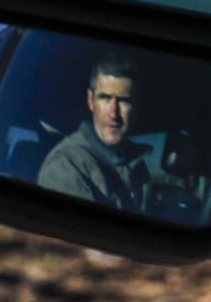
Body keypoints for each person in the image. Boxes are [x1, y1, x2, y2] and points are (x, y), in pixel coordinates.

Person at [36, 51, 156, 212]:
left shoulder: (135, 165)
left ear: (137, 107)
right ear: (90, 101)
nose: (113, 113)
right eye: (105, 98)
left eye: (124, 101)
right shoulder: (65, 166)